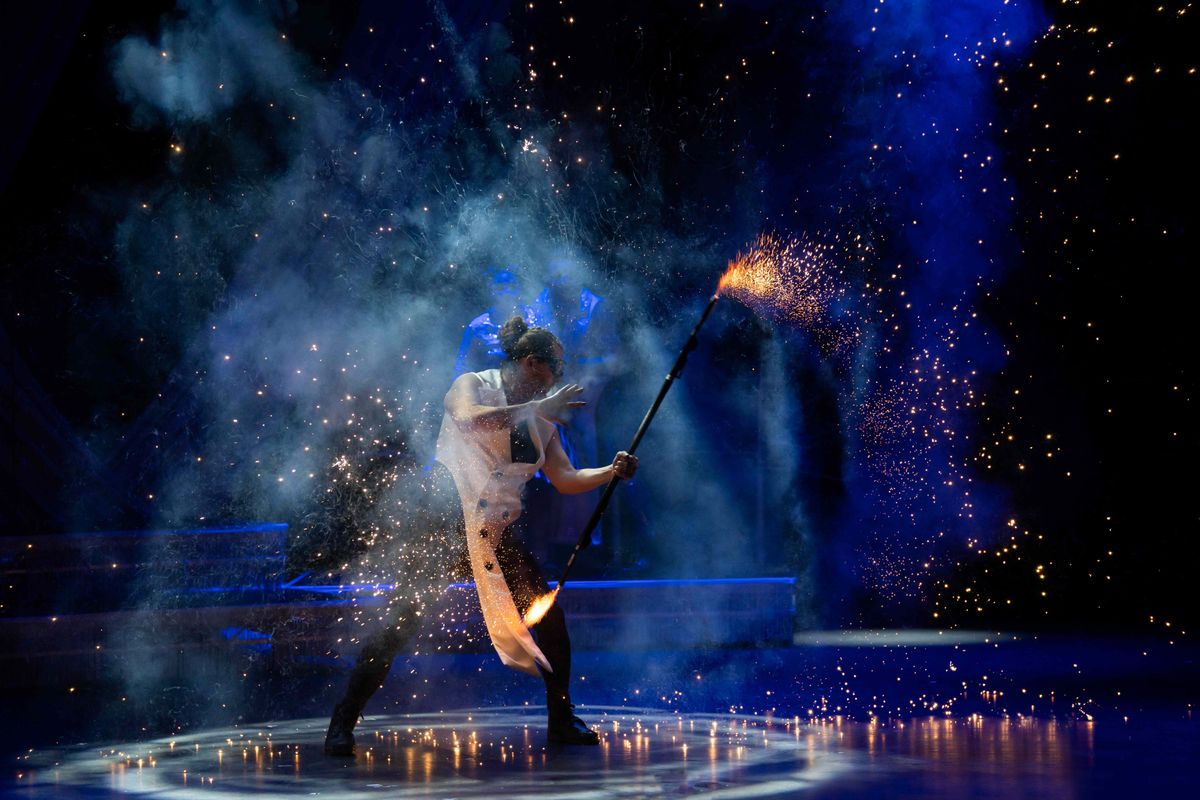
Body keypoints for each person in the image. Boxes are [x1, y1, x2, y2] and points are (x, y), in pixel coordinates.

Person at [324, 316, 638, 755]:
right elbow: (470, 421)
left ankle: (561, 719)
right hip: (446, 520)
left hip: (494, 531)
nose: (560, 380)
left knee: (549, 620)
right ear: (530, 363)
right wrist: (534, 410)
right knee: (401, 621)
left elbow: (564, 477)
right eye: (556, 369)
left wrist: (610, 471)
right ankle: (343, 719)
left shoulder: (543, 419)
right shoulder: (472, 384)